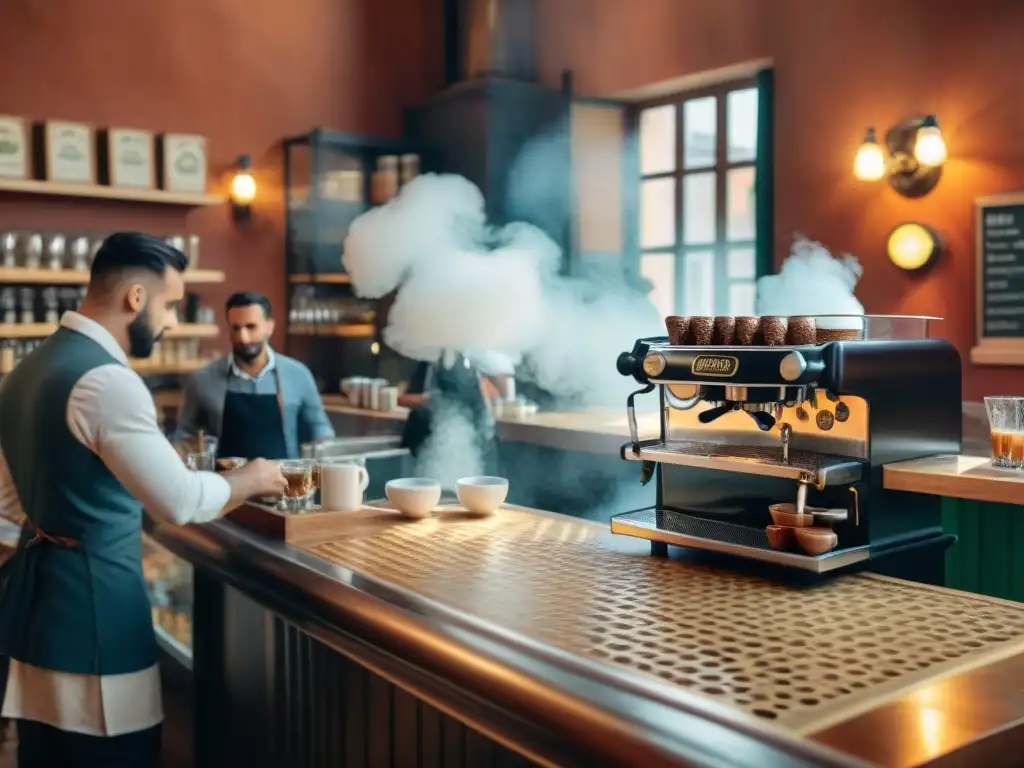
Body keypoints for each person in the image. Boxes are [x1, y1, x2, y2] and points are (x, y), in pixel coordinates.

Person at [0, 232, 287, 767]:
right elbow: (178, 503)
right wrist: (251, 478)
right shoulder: (107, 381)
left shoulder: (26, 369)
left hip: (38, 617)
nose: (172, 320)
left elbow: (10, 499)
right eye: (170, 304)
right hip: (96, 625)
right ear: (135, 297)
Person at [173, 291, 335, 460]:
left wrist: (320, 454)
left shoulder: (298, 374)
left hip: (285, 482)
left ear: (269, 327)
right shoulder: (202, 380)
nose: (243, 337)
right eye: (236, 328)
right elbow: (183, 437)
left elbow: (321, 431)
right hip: (228, 483)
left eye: (251, 327)